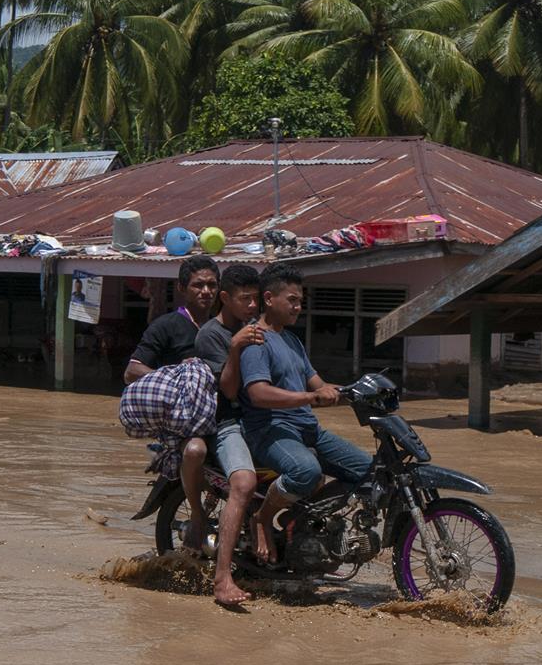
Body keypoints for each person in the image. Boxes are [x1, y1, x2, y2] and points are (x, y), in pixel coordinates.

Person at [238, 263, 372, 557]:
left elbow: (319, 385)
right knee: (305, 470)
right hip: (268, 429)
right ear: (269, 298)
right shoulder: (255, 339)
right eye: (292, 300)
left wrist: (360, 392)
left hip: (305, 428)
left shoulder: (291, 339)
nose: (298, 307)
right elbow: (258, 393)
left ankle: (299, 519)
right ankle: (261, 517)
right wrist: (310, 396)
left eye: (301, 301)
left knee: (368, 471)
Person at [125, 255, 220, 542]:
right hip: (188, 423)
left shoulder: (225, 327)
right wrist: (178, 381)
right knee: (195, 452)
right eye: (198, 285)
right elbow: (132, 371)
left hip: (223, 415)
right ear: (182, 288)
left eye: (212, 285)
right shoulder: (167, 326)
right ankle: (197, 516)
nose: (206, 291)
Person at [193, 263, 267, 608]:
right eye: (245, 299)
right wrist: (235, 348)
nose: (252, 306)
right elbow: (229, 390)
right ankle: (222, 579)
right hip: (227, 421)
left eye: (256, 300)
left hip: (260, 418)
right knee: (243, 484)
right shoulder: (211, 335)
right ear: (225, 298)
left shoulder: (257, 327)